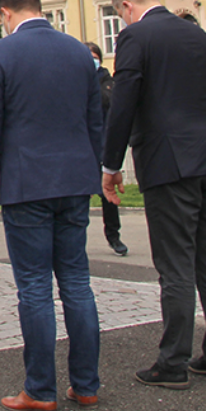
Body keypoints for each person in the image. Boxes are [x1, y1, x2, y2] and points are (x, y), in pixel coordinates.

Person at [101, 0, 206, 390]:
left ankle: (173, 362)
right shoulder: (198, 35)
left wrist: (111, 164)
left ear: (126, 6)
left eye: (120, 15)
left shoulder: (135, 37)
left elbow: (123, 102)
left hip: (170, 164)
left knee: (176, 263)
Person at [0, 0, 104, 411]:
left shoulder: (1, 53)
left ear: (5, 13)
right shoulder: (79, 52)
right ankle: (86, 384)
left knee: (34, 287)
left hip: (27, 183)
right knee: (77, 283)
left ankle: (40, 389)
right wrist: (94, 173)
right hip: (75, 182)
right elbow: (94, 122)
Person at [84, 42, 127, 256]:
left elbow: (107, 101)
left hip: (102, 145)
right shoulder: (75, 80)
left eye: (94, 57)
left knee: (107, 195)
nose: (92, 61)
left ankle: (113, 235)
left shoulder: (107, 82)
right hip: (82, 147)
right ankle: (75, 239)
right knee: (79, 197)